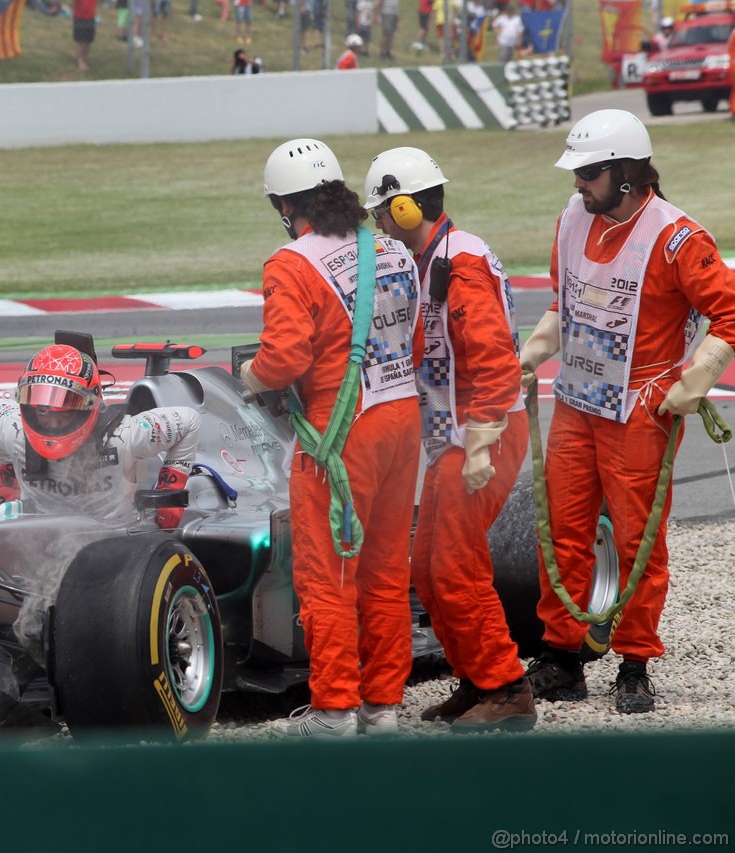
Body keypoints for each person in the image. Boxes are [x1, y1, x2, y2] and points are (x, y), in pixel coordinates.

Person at [520, 110, 735, 714]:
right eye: (578, 173)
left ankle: (635, 662)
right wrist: (531, 353)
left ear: (627, 174)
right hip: (576, 400)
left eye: (588, 173)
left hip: (641, 407)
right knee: (559, 529)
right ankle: (562, 657)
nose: (577, 185)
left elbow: (730, 314)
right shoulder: (571, 219)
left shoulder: (677, 238)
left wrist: (694, 381)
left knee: (640, 539)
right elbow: (566, 304)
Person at [241, 138, 422, 737]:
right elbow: (414, 340)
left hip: (338, 434)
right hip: (402, 419)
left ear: (288, 207)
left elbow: (284, 357)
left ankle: (336, 709)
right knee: (387, 570)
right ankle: (383, 705)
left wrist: (251, 375)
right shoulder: (391, 249)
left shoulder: (291, 264)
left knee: (328, 576)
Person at [363, 147, 535, 732]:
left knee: (455, 566)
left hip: (482, 435)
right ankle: (477, 681)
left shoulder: (458, 265)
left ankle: (508, 687)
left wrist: (482, 440)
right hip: (458, 438)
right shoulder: (435, 257)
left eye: (381, 213)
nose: (378, 225)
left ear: (407, 208)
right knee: (428, 567)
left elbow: (491, 360)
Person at [0, 345, 200, 527]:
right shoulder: (14, 429)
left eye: (66, 411)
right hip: (36, 538)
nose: (54, 423)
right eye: (43, 410)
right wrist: (7, 483)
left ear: (91, 403)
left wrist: (171, 485)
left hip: (113, 538)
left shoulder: (125, 435)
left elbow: (189, 420)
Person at [72, 0, 97, 70]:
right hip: (80, 17)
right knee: (81, 40)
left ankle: (84, 58)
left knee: (88, 40)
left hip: (90, 17)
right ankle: (80, 60)